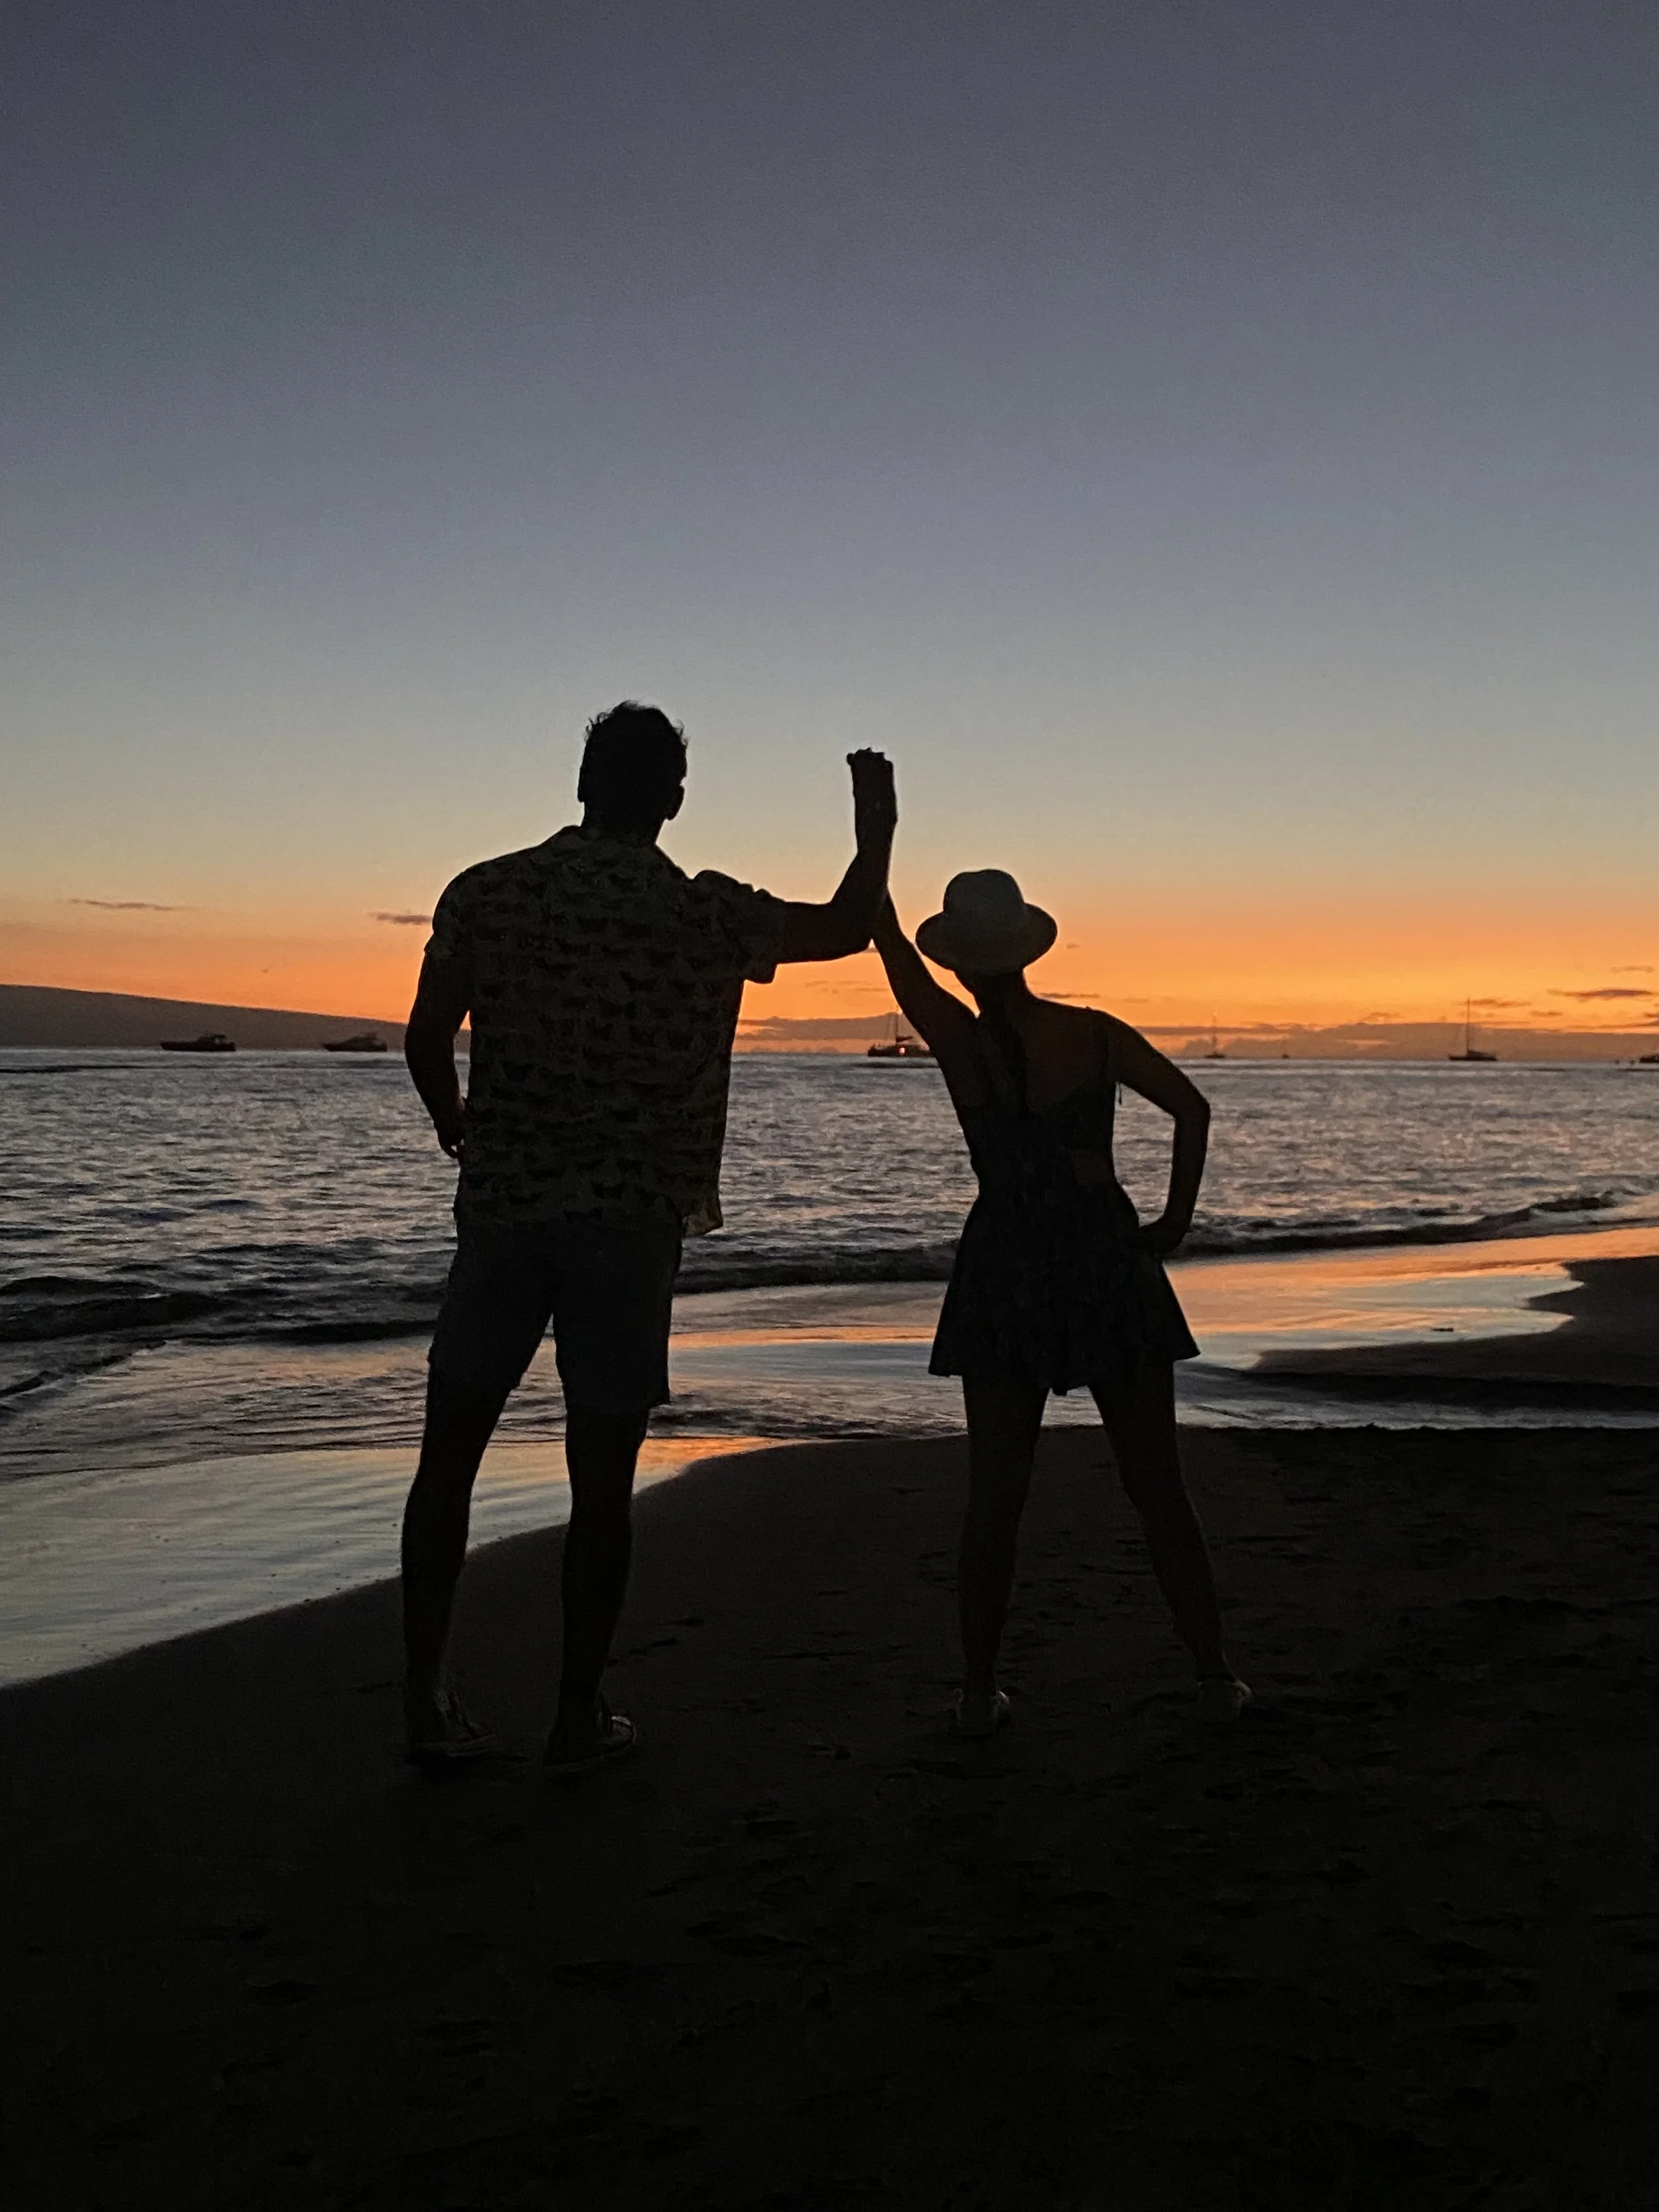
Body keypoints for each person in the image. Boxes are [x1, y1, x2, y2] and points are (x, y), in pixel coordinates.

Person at [401, 703, 897, 1773]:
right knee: (601, 1478)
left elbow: (428, 1034)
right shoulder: (707, 913)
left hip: (504, 1211)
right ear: (672, 799)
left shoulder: (484, 891)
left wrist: (456, 1124)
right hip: (630, 1225)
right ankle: (576, 1715)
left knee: (449, 1461)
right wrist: (875, 830)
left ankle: (424, 1700)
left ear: (582, 780)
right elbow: (850, 925)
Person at [871, 870, 1248, 1734]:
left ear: (961, 963)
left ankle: (976, 1693)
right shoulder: (1093, 1035)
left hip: (1007, 1255)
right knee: (1158, 1483)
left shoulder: (958, 1041)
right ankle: (1213, 1676)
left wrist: (875, 853)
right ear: (1029, 950)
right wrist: (1173, 1222)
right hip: (1102, 1252)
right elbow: (1191, 1111)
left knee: (995, 1494)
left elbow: (894, 957)